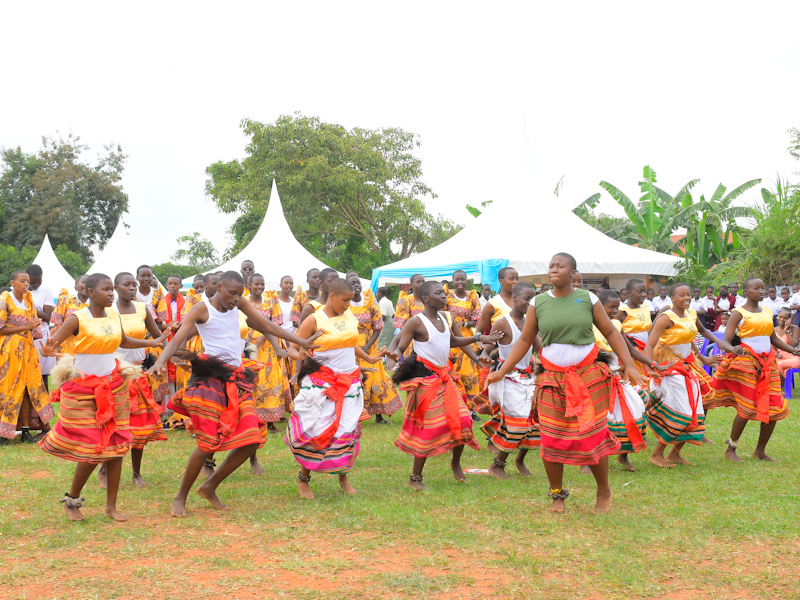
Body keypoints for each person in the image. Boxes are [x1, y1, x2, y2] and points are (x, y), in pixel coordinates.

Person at [148, 271, 320, 517]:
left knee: (252, 440)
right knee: (208, 443)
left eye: (240, 294)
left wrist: (300, 341)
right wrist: (160, 362)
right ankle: (180, 497)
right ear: (218, 287)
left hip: (236, 378)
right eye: (232, 293)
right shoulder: (201, 309)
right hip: (210, 380)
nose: (236, 299)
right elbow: (178, 340)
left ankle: (209, 486)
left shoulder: (239, 302)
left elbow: (267, 325)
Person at [487, 253, 642, 514]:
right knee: (551, 437)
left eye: (560, 266)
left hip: (589, 376)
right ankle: (557, 494)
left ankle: (603, 490)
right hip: (552, 378)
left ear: (572, 273)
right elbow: (525, 340)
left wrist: (629, 364)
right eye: (551, 266)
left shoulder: (587, 298)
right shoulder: (539, 302)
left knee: (592, 434)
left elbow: (611, 332)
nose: (553, 270)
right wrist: (502, 371)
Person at [39, 273, 168, 521]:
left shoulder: (113, 315)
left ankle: (111, 507)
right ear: (89, 292)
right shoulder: (78, 318)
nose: (111, 294)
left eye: (111, 289)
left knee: (117, 447)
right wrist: (48, 349)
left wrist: (153, 342)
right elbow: (53, 342)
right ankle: (72, 500)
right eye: (106, 289)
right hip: (85, 389)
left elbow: (123, 340)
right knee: (94, 446)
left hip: (114, 385)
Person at [391, 281, 500, 491]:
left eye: (444, 293)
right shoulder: (416, 322)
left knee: (464, 419)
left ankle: (455, 462)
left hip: (445, 377)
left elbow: (453, 341)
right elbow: (401, 346)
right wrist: (393, 356)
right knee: (429, 428)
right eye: (438, 293)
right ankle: (415, 477)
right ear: (425, 299)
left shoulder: (445, 317)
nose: (444, 296)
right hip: (426, 379)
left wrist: (478, 347)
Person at [285, 278, 387, 499]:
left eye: (351, 300)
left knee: (347, 430)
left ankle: (343, 478)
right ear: (331, 296)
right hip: (323, 384)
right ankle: (304, 480)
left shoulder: (348, 314)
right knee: (317, 430)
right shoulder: (314, 319)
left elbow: (350, 343)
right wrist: (301, 354)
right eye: (345, 300)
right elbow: (291, 348)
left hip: (349, 382)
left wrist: (368, 357)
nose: (348, 304)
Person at [706, 278, 800, 462]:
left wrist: (792, 350)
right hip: (747, 362)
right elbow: (726, 341)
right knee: (747, 407)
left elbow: (772, 338)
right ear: (747, 292)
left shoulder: (766, 311)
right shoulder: (738, 313)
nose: (761, 291)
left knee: (775, 406)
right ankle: (731, 448)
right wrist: (733, 349)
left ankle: (760, 451)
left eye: (762, 288)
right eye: (756, 288)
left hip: (769, 364)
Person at [99, 272, 174, 488]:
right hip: (114, 374)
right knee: (114, 424)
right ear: (116, 287)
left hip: (139, 374)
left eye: (134, 284)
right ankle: (104, 468)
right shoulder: (107, 311)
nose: (132, 288)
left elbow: (157, 338)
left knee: (139, 426)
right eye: (127, 284)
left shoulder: (143, 309)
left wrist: (173, 353)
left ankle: (136, 473)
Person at [644, 283, 729, 468]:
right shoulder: (666, 318)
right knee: (683, 413)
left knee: (696, 412)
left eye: (688, 294)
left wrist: (708, 354)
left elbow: (701, 333)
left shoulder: (691, 314)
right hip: (671, 367)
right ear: (672, 298)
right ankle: (657, 453)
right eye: (681, 295)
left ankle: (674, 453)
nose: (686, 297)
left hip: (688, 365)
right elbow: (649, 345)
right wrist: (651, 367)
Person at [479, 282, 538, 479]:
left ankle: (519, 459)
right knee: (518, 424)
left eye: (533, 300)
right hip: (507, 378)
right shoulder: (504, 322)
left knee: (534, 423)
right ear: (514, 298)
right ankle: (497, 465)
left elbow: (540, 347)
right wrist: (486, 356)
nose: (529, 303)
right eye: (526, 299)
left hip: (528, 379)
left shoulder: (531, 323)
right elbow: (488, 345)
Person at [593, 290, 655, 472]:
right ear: (599, 307)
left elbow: (631, 351)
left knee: (637, 404)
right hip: (595, 377)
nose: (614, 311)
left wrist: (653, 364)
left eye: (616, 307)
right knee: (597, 419)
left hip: (616, 377)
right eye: (610, 307)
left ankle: (623, 455)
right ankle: (591, 460)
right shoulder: (588, 327)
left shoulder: (616, 325)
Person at [0, 271, 52, 445]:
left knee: (28, 390)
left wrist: (33, 325)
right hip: (9, 352)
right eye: (22, 281)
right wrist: (25, 325)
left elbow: (34, 329)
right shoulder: (5, 299)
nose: (26, 284)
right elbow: (0, 329)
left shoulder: (29, 299)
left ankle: (26, 431)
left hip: (28, 351)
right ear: (12, 282)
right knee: (8, 389)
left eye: (27, 281)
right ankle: (3, 433)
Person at [346, 273, 401, 423]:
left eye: (358, 282)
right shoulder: (344, 301)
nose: (356, 285)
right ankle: (353, 415)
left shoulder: (370, 298)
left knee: (375, 378)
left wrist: (368, 346)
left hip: (369, 344)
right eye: (352, 283)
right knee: (355, 378)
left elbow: (378, 325)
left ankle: (379, 416)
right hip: (349, 345)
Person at [246, 273, 291, 442]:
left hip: (269, 347)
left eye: (262, 284)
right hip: (249, 347)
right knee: (253, 382)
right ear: (249, 285)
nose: (259, 287)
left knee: (270, 381)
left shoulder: (271, 301)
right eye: (256, 284)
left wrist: (262, 340)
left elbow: (274, 324)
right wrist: (252, 343)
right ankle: (253, 421)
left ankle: (271, 422)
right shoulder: (244, 302)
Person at [446, 270, 484, 412]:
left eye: (463, 279)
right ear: (453, 281)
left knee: (469, 373)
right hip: (450, 338)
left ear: (467, 280)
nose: (460, 282)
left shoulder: (472, 296)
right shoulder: (446, 294)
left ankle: (471, 409)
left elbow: (477, 319)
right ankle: (453, 406)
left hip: (467, 338)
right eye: (457, 279)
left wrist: (466, 324)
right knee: (452, 372)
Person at [616, 279, 652, 381]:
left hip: (646, 352)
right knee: (637, 383)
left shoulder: (645, 307)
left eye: (645, 291)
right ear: (629, 293)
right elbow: (612, 330)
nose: (643, 295)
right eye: (639, 292)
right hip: (632, 353)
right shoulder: (623, 311)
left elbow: (649, 330)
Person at [26, 264, 55, 389]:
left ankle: (45, 405)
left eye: (39, 281)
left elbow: (48, 317)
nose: (35, 284)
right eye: (32, 282)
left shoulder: (46, 292)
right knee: (26, 373)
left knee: (42, 375)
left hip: (41, 336)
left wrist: (30, 307)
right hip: (24, 335)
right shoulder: (18, 291)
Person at [475, 267, 520, 333]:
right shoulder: (492, 304)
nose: (515, 282)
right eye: (511, 279)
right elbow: (479, 333)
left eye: (517, 279)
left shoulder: (521, 302)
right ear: (501, 281)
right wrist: (483, 342)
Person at [163, 274, 186, 384]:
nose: (172, 286)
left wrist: (180, 327)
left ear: (180, 286)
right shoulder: (162, 302)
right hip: (166, 337)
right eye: (170, 283)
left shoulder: (186, 302)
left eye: (175, 284)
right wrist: (169, 326)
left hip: (181, 338)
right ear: (167, 285)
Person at [775, 307, 800, 382]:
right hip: (778, 356)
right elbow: (772, 347)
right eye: (780, 317)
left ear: (789, 320)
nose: (782, 319)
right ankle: (781, 387)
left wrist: (786, 331)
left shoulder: (795, 328)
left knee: (779, 364)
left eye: (785, 318)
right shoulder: (773, 330)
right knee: (775, 363)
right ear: (777, 317)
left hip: (792, 357)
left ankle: (782, 387)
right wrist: (776, 354)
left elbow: (793, 345)